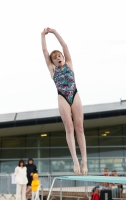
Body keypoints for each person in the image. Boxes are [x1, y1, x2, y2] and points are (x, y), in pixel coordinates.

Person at [41, 27, 88, 175]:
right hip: (62, 96)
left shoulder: (69, 63)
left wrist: (54, 32)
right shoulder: (52, 69)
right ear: (52, 62)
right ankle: (75, 160)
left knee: (79, 127)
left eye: (59, 56)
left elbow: (65, 45)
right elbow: (44, 51)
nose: (58, 58)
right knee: (69, 127)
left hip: (74, 94)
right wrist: (43, 35)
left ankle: (84, 161)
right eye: (55, 58)